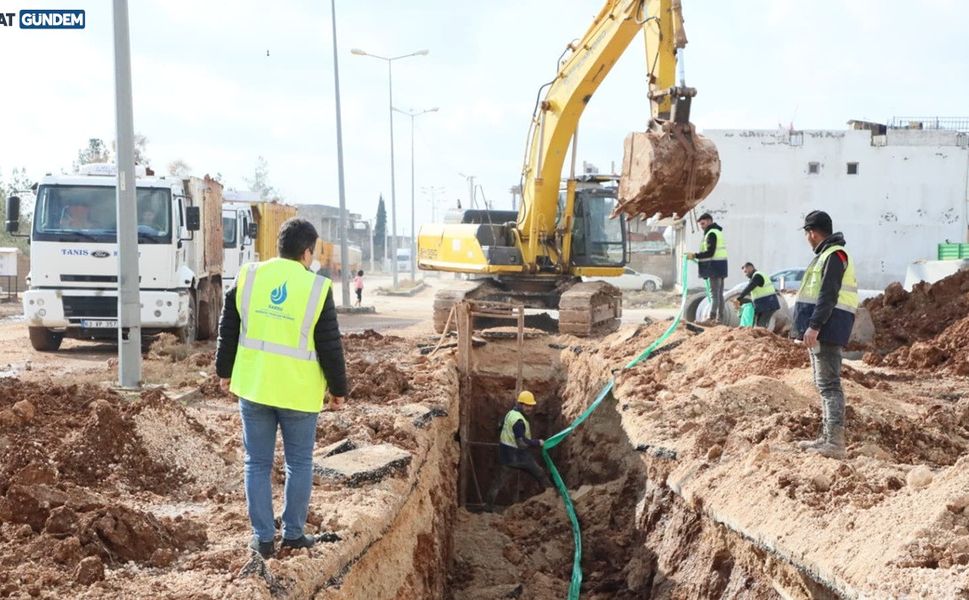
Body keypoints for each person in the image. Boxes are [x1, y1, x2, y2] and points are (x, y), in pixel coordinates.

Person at [215, 217, 348, 559]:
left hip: (255, 386)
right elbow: (330, 345)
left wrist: (223, 370)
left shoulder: (249, 275)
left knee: (256, 463)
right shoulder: (317, 287)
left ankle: (262, 539)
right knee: (299, 463)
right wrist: (338, 390)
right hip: (298, 393)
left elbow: (228, 326)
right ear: (306, 252)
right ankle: (293, 534)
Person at [792, 210, 857, 460]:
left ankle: (835, 443)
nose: (807, 239)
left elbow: (828, 295)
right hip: (825, 328)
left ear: (813, 233)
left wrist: (815, 325)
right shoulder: (828, 254)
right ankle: (828, 437)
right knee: (824, 384)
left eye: (807, 234)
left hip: (828, 328)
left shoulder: (834, 255)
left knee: (829, 385)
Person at [485, 390, 551, 511]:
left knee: (498, 482)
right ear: (520, 404)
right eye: (526, 405)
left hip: (506, 455)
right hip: (519, 456)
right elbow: (521, 443)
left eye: (531, 406)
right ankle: (552, 499)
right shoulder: (519, 421)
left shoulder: (510, 414)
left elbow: (499, 425)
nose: (529, 408)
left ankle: (488, 507)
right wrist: (538, 442)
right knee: (540, 474)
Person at [687, 212, 728, 323]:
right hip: (720, 266)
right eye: (700, 225)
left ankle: (712, 318)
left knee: (714, 294)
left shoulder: (711, 234)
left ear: (709, 221)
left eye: (703, 223)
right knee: (719, 294)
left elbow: (710, 253)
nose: (702, 227)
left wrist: (695, 255)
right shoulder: (717, 232)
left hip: (714, 267)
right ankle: (720, 319)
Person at [737, 262, 781, 328]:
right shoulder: (758, 276)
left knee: (761, 324)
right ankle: (761, 335)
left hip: (768, 304)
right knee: (759, 324)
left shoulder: (757, 276)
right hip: (766, 304)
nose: (745, 274)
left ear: (750, 268)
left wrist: (740, 297)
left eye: (746, 272)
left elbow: (750, 287)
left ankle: (763, 336)